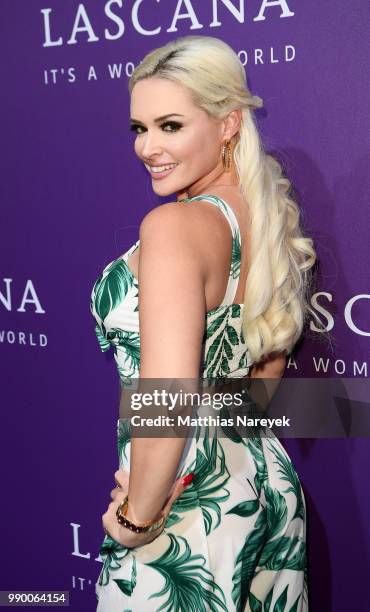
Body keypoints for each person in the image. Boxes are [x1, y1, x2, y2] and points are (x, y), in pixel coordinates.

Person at [90, 34, 317, 611]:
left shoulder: (172, 227)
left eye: (170, 126)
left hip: (186, 502)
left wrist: (137, 516)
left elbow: (167, 395)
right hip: (261, 484)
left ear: (228, 124)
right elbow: (262, 386)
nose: (148, 147)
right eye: (139, 129)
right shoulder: (266, 217)